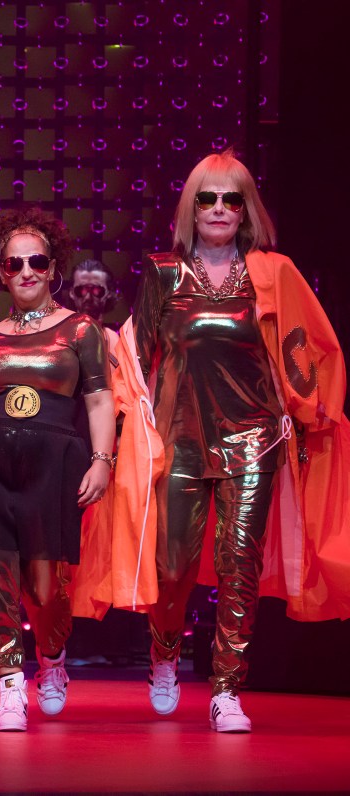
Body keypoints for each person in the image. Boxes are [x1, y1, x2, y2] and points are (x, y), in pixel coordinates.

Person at [122, 148, 350, 732]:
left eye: (232, 198)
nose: (219, 208)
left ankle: (227, 688)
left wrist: (310, 407)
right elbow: (134, 357)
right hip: (179, 438)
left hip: (254, 437)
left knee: (239, 563)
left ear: (246, 209)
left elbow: (306, 345)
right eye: (208, 198)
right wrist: (131, 432)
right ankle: (165, 653)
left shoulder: (272, 273)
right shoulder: (163, 273)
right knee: (172, 567)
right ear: (191, 208)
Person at [0, 206, 115, 732]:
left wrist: (103, 461)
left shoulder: (81, 330)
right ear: (1, 272)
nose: (26, 271)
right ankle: (10, 683)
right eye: (14, 263)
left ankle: (52, 658)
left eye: (37, 261)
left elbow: (100, 401)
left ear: (54, 268)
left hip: (52, 467)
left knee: (45, 587)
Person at [68, 258, 120, 357]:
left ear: (108, 293)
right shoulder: (60, 337)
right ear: (71, 293)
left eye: (97, 290)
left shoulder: (115, 341)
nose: (88, 297)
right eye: (81, 290)